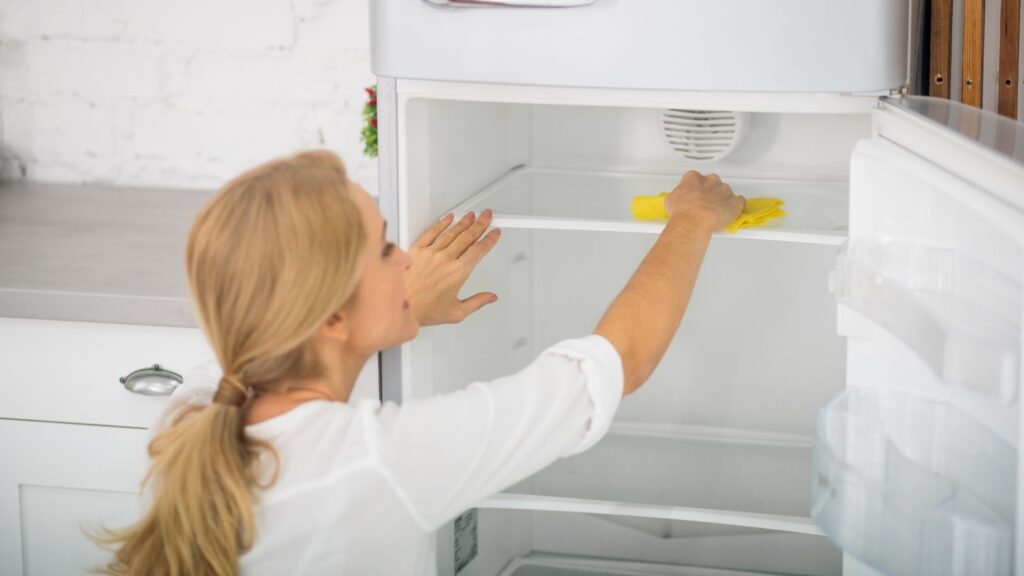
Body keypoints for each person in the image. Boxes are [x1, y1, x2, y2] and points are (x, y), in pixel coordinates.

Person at [97, 150, 743, 575]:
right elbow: (616, 364)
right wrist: (691, 219)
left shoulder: (188, 425)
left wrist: (387, 317)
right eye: (385, 250)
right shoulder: (380, 462)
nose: (409, 260)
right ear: (330, 319)